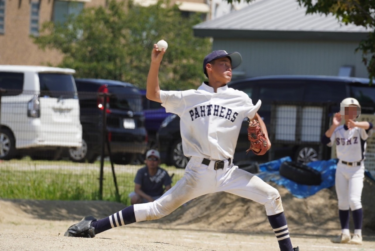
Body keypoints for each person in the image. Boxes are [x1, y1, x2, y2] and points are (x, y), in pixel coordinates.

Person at [64, 46, 299, 251]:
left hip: (229, 172)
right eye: (223, 64)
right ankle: (93, 226)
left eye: (230, 65)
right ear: (209, 67)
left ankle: (287, 249)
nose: (229, 68)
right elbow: (152, 94)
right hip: (198, 172)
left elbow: (255, 117)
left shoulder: (239, 97)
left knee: (272, 196)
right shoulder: (189, 97)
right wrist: (155, 62)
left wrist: (264, 137)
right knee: (157, 209)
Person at [322, 97, 373, 245]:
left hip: (357, 169)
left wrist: (355, 123)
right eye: (348, 110)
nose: (351, 113)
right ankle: (344, 233)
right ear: (343, 112)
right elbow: (325, 141)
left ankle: (357, 234)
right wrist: (333, 125)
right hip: (341, 167)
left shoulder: (359, 128)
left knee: (354, 200)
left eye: (354, 110)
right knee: (343, 202)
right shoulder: (337, 130)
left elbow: (370, 125)